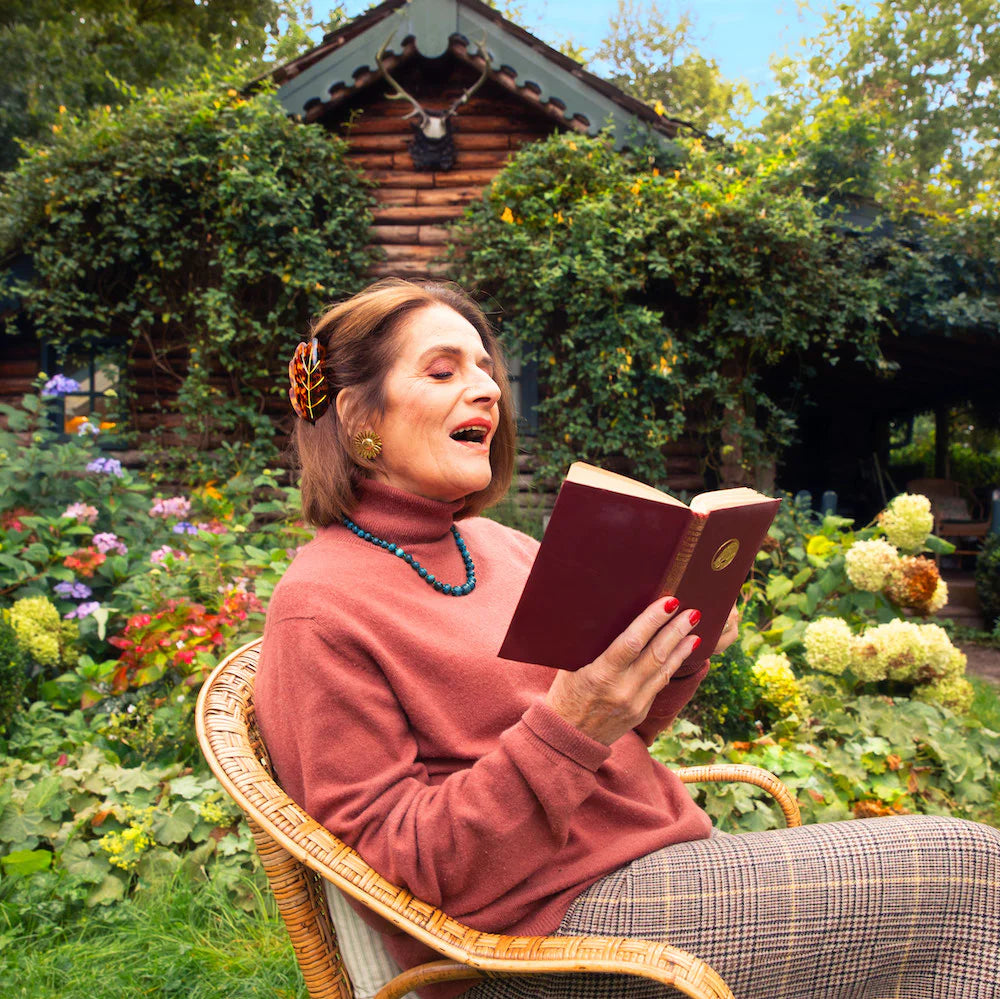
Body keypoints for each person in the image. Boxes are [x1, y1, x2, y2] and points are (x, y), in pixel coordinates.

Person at [256, 278, 999, 999]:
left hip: (666, 866)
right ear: (358, 415)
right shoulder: (321, 606)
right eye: (444, 369)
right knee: (973, 867)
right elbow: (397, 868)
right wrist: (571, 720)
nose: (487, 389)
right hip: (539, 943)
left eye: (487, 369)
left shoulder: (498, 546)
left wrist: (676, 652)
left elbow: (617, 734)